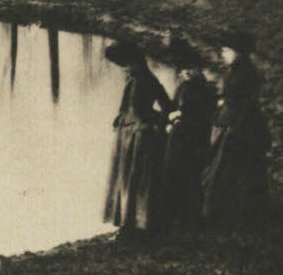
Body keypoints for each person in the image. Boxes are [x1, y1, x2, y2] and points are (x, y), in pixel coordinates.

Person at [103, 40, 174, 239]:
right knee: (129, 182)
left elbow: (161, 107)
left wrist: (151, 121)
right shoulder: (139, 78)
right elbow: (165, 106)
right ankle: (132, 225)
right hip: (129, 135)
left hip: (137, 136)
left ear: (133, 62)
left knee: (133, 182)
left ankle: (131, 227)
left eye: (125, 64)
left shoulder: (142, 79)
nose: (123, 68)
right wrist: (121, 117)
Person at [203, 30, 270, 228]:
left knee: (232, 170)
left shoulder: (244, 74)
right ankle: (237, 215)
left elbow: (243, 105)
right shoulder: (238, 71)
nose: (222, 54)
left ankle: (235, 217)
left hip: (241, 128)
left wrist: (230, 125)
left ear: (238, 52)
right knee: (236, 171)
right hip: (236, 125)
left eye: (226, 50)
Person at [162, 35, 218, 230]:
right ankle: (188, 216)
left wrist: (175, 118)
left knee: (180, 173)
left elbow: (190, 112)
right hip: (193, 136)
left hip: (186, 137)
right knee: (190, 175)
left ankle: (184, 217)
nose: (182, 73)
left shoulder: (190, 88)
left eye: (184, 71)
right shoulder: (201, 87)